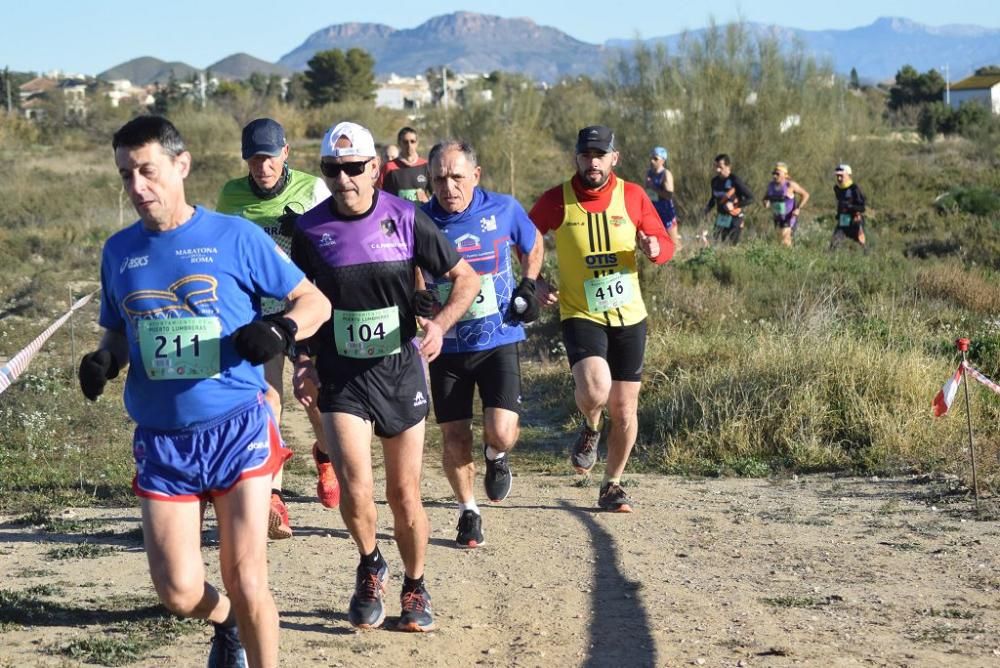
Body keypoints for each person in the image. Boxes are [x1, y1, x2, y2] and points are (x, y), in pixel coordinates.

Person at [79, 115, 331, 668]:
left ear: (181, 165)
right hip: (163, 440)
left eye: (147, 170)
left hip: (237, 427)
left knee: (245, 577)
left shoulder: (234, 236)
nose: (137, 187)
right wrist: (104, 359)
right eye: (126, 175)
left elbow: (315, 303)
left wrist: (279, 329)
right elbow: (119, 329)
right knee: (177, 592)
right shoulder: (119, 251)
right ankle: (228, 625)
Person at [289, 121, 478, 632]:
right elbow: (300, 301)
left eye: (354, 168)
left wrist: (438, 325)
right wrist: (303, 359)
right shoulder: (308, 231)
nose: (344, 179)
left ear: (375, 168)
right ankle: (370, 563)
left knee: (404, 494)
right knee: (355, 487)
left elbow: (467, 277)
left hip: (399, 371)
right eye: (333, 169)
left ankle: (415, 584)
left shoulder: (407, 218)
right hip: (342, 374)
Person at [528, 125, 674, 512]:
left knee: (625, 409)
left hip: (629, 315)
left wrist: (654, 247)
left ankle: (612, 484)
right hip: (581, 311)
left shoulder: (633, 195)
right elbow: (523, 237)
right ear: (576, 158)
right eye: (586, 155)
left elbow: (664, 243)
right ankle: (591, 425)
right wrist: (536, 280)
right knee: (595, 391)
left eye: (600, 155)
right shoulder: (557, 199)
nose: (593, 162)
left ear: (615, 157)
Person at [216, 117, 340, 540]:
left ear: (285, 152)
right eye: (254, 158)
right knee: (268, 397)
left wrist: (303, 231)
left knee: (313, 397)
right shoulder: (231, 195)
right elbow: (223, 251)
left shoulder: (311, 188)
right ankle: (275, 497)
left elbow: (336, 239)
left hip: (305, 306)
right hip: (258, 313)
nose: (262, 167)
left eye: (269, 157)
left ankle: (325, 455)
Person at [419, 140, 544, 548]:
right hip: (447, 346)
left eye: (456, 177)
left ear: (476, 174)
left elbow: (534, 242)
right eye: (438, 178)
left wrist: (529, 282)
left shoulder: (503, 208)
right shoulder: (419, 220)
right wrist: (418, 296)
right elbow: (408, 267)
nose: (447, 186)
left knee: (501, 431)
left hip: (499, 338)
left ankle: (496, 456)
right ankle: (468, 511)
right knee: (455, 435)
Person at [702, 153, 753, 245]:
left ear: (728, 166)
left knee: (731, 246)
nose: (717, 170)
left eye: (720, 167)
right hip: (721, 217)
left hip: (735, 218)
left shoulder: (735, 180)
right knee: (716, 244)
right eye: (716, 166)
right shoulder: (714, 181)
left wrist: (735, 205)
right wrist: (707, 208)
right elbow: (713, 198)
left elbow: (751, 198)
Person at [761, 162, 810, 247]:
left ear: (785, 175)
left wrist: (798, 208)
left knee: (785, 241)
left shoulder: (790, 185)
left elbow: (805, 195)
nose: (774, 176)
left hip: (789, 218)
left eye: (777, 173)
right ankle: (788, 258)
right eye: (774, 173)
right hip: (777, 217)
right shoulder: (771, 185)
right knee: (780, 242)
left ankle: (790, 258)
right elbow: (765, 198)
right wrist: (766, 202)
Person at [645, 146, 682, 252]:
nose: (652, 161)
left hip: (666, 211)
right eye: (651, 158)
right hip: (654, 210)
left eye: (655, 158)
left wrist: (653, 187)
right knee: (655, 240)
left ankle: (680, 261)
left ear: (663, 160)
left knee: (673, 241)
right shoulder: (649, 173)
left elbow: (669, 195)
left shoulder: (666, 174)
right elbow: (647, 191)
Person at [380, 126, 430, 203]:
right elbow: (379, 194)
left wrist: (427, 200)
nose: (409, 145)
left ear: (417, 143)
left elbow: (435, 194)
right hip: (397, 214)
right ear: (399, 143)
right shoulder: (389, 167)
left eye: (412, 141)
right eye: (405, 142)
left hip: (422, 214)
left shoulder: (426, 165)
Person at [830, 164, 867, 250]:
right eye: (837, 176)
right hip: (843, 220)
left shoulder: (854, 189)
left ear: (848, 175)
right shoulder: (837, 189)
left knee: (862, 245)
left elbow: (862, 208)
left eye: (841, 176)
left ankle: (870, 260)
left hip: (855, 221)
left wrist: (850, 207)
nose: (839, 178)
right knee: (834, 243)